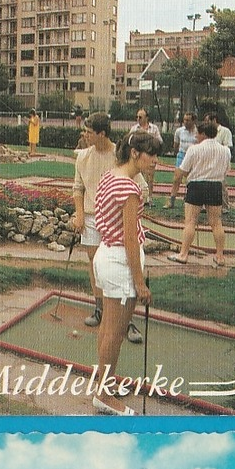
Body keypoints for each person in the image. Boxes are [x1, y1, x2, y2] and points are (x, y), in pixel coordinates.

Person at [89, 130, 160, 415]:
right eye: (151, 154)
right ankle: (103, 395)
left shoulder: (112, 175)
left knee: (108, 329)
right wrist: (141, 284)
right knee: (114, 333)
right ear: (135, 153)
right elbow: (130, 239)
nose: (156, 160)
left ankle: (105, 384)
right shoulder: (130, 189)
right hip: (120, 261)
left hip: (107, 255)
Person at [71, 113, 136, 341]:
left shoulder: (120, 157)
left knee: (123, 263)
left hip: (116, 218)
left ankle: (126, 319)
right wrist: (79, 215)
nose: (85, 135)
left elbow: (139, 189)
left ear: (102, 134)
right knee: (94, 263)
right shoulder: (83, 157)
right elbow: (78, 188)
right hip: (90, 216)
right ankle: (100, 309)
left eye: (89, 132)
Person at [170, 120, 231, 266]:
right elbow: (226, 171)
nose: (196, 136)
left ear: (203, 134)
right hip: (215, 186)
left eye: (198, 133)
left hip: (196, 185)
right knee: (216, 222)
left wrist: (183, 174)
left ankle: (183, 254)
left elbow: (183, 171)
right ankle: (220, 256)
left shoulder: (193, 149)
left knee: (190, 221)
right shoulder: (225, 151)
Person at [166, 112, 199, 208]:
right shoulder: (179, 131)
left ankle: (190, 199)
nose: (185, 122)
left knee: (192, 179)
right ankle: (171, 200)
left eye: (188, 120)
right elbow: (176, 145)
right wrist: (177, 153)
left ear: (194, 121)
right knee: (177, 178)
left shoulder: (198, 132)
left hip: (193, 157)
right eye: (184, 120)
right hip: (182, 155)